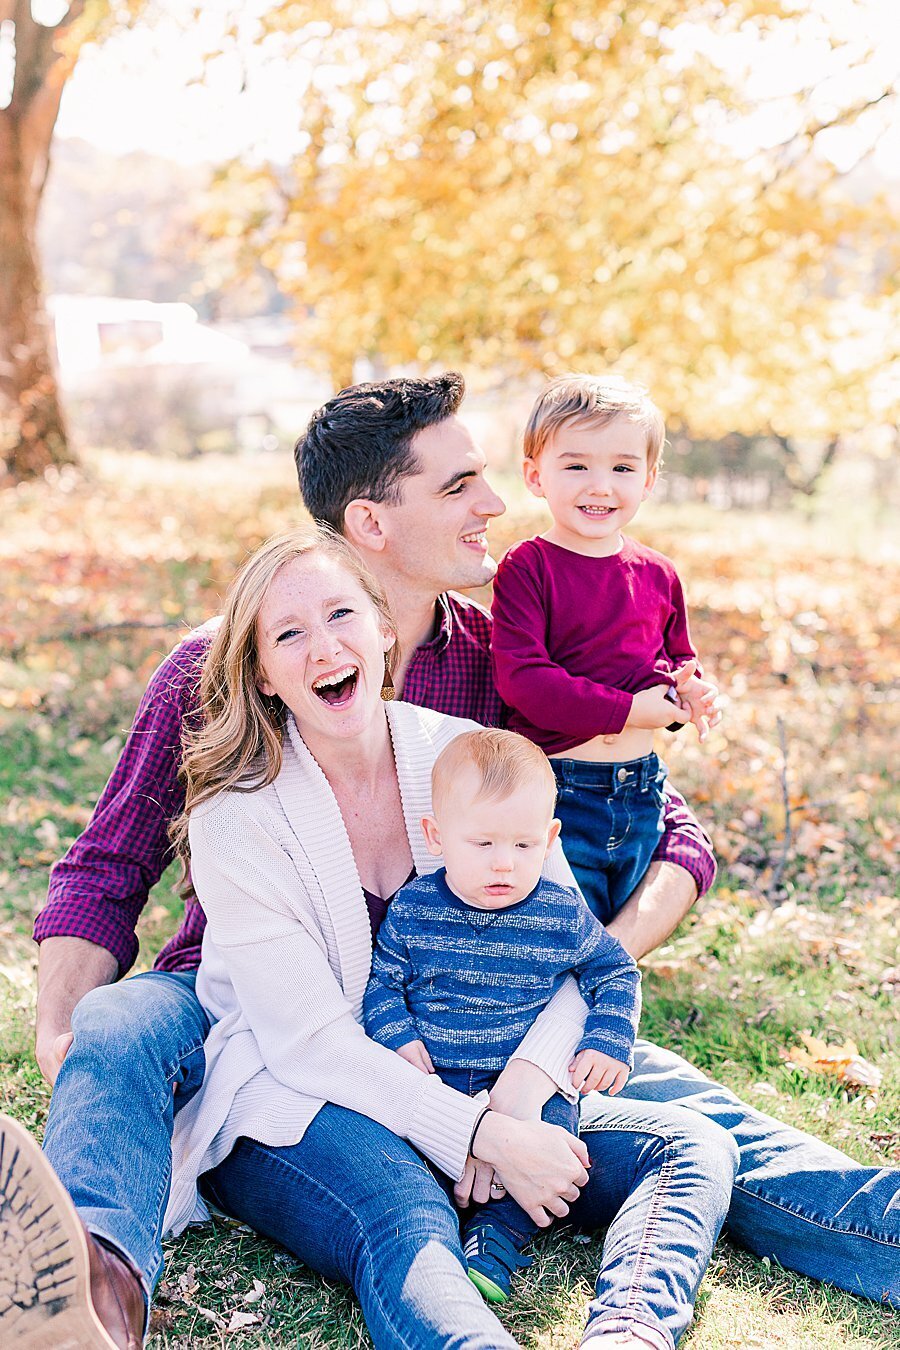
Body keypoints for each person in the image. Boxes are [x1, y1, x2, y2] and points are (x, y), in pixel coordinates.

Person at [4, 373, 896, 1346]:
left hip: (468, 993)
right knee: (121, 1022)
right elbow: (106, 868)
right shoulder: (225, 669)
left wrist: (581, 970)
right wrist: (58, 1031)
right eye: (460, 485)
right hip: (260, 991)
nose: (496, 504)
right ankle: (86, 1291)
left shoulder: (502, 662)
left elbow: (666, 828)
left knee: (701, 1119)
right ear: (373, 522)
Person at [161, 526, 734, 1350]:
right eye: (288, 633)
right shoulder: (236, 818)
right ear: (260, 670)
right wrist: (478, 1136)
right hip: (296, 1096)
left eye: (340, 614)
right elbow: (308, 1042)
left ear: (382, 628)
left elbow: (568, 949)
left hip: (488, 1072)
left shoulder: (461, 756)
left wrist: (522, 1090)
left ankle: (631, 1335)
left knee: (692, 1145)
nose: (324, 647)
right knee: (409, 1212)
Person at [363, 727, 641, 1303]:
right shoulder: (415, 909)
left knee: (552, 1140)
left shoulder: (559, 913)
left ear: (550, 838)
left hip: (527, 1083)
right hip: (439, 1079)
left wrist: (608, 1039)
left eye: (522, 845)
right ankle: (436, 1224)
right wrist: (396, 1036)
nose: (504, 865)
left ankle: (497, 1238)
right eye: (483, 844)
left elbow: (616, 973)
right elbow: (382, 984)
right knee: (407, 1155)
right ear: (437, 837)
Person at [491, 374, 718, 925]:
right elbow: (524, 680)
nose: (600, 486)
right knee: (562, 931)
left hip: (642, 788)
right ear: (534, 475)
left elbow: (671, 661)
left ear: (649, 479)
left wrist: (689, 692)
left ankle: (614, 1004)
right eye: (576, 466)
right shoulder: (528, 567)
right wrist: (627, 710)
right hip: (561, 791)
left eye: (622, 467)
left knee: (621, 922)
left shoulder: (658, 573)